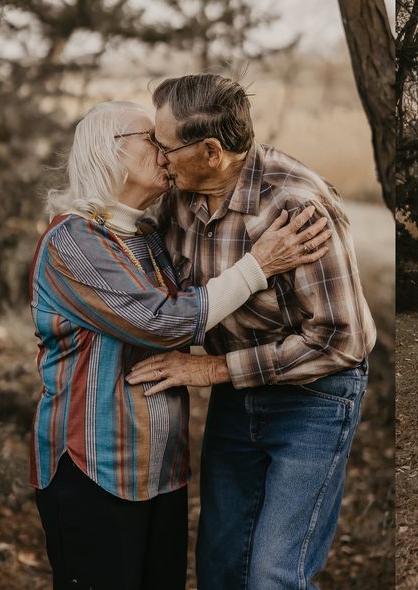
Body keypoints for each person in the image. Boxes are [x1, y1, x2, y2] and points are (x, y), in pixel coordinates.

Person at [29, 100, 331, 590]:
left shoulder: (147, 233)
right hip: (93, 465)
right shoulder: (73, 241)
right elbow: (164, 321)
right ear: (110, 153)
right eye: (151, 139)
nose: (165, 152)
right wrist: (259, 266)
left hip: (160, 469)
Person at [126, 74, 377, 590]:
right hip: (240, 396)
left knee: (271, 574)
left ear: (212, 152)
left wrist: (214, 367)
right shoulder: (177, 199)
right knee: (221, 566)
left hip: (315, 396)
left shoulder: (295, 206)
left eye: (164, 145)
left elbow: (342, 339)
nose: (159, 156)